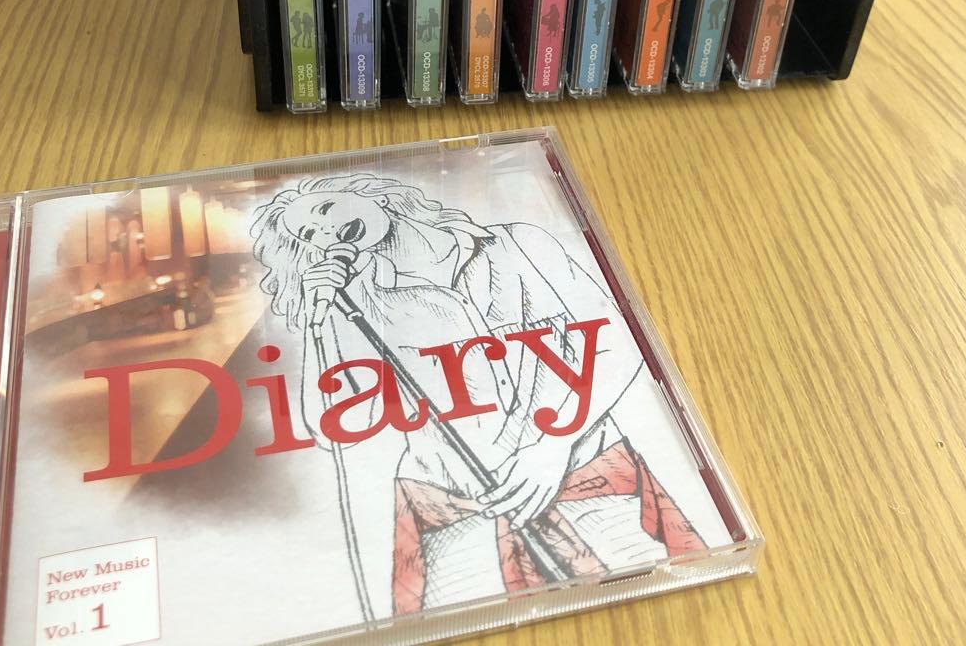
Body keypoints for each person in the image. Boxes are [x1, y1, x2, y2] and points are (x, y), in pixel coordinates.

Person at [250, 175, 705, 616]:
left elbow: (619, 343)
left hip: (586, 473)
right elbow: (335, 427)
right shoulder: (353, 305)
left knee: (665, 608)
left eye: (326, 209)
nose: (325, 231)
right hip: (456, 511)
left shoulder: (521, 243)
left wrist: (552, 447)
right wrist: (318, 323)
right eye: (309, 234)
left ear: (376, 197)